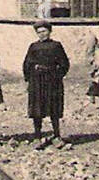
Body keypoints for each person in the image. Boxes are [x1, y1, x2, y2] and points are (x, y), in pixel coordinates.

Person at [23, 21, 70, 149]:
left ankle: (56, 135)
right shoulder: (33, 47)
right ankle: (37, 136)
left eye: (44, 31)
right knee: (37, 109)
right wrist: (29, 78)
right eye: (39, 32)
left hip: (52, 81)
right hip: (37, 81)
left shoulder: (56, 46)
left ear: (49, 31)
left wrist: (57, 75)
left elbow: (64, 64)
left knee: (54, 109)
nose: (41, 34)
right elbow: (27, 64)